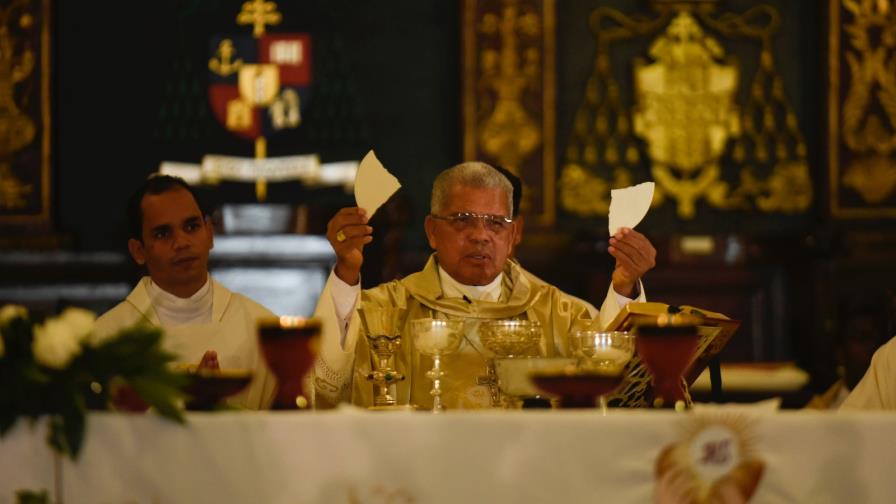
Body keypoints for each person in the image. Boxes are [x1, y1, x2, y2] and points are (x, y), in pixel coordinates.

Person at [312, 161, 656, 409]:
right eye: (462, 220)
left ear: (514, 235)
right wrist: (346, 273)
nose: (480, 236)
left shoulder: (562, 314)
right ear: (432, 231)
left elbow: (617, 393)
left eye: (495, 223)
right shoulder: (383, 311)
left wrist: (624, 288)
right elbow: (327, 384)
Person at [95, 175, 275, 409]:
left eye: (192, 227)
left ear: (209, 233)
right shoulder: (106, 339)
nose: (181, 242)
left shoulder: (262, 329)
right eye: (163, 233)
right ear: (138, 250)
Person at [806, 293, 891, 409]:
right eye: (861, 339)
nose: (873, 348)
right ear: (840, 351)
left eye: (877, 340)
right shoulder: (817, 413)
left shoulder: (890, 408)